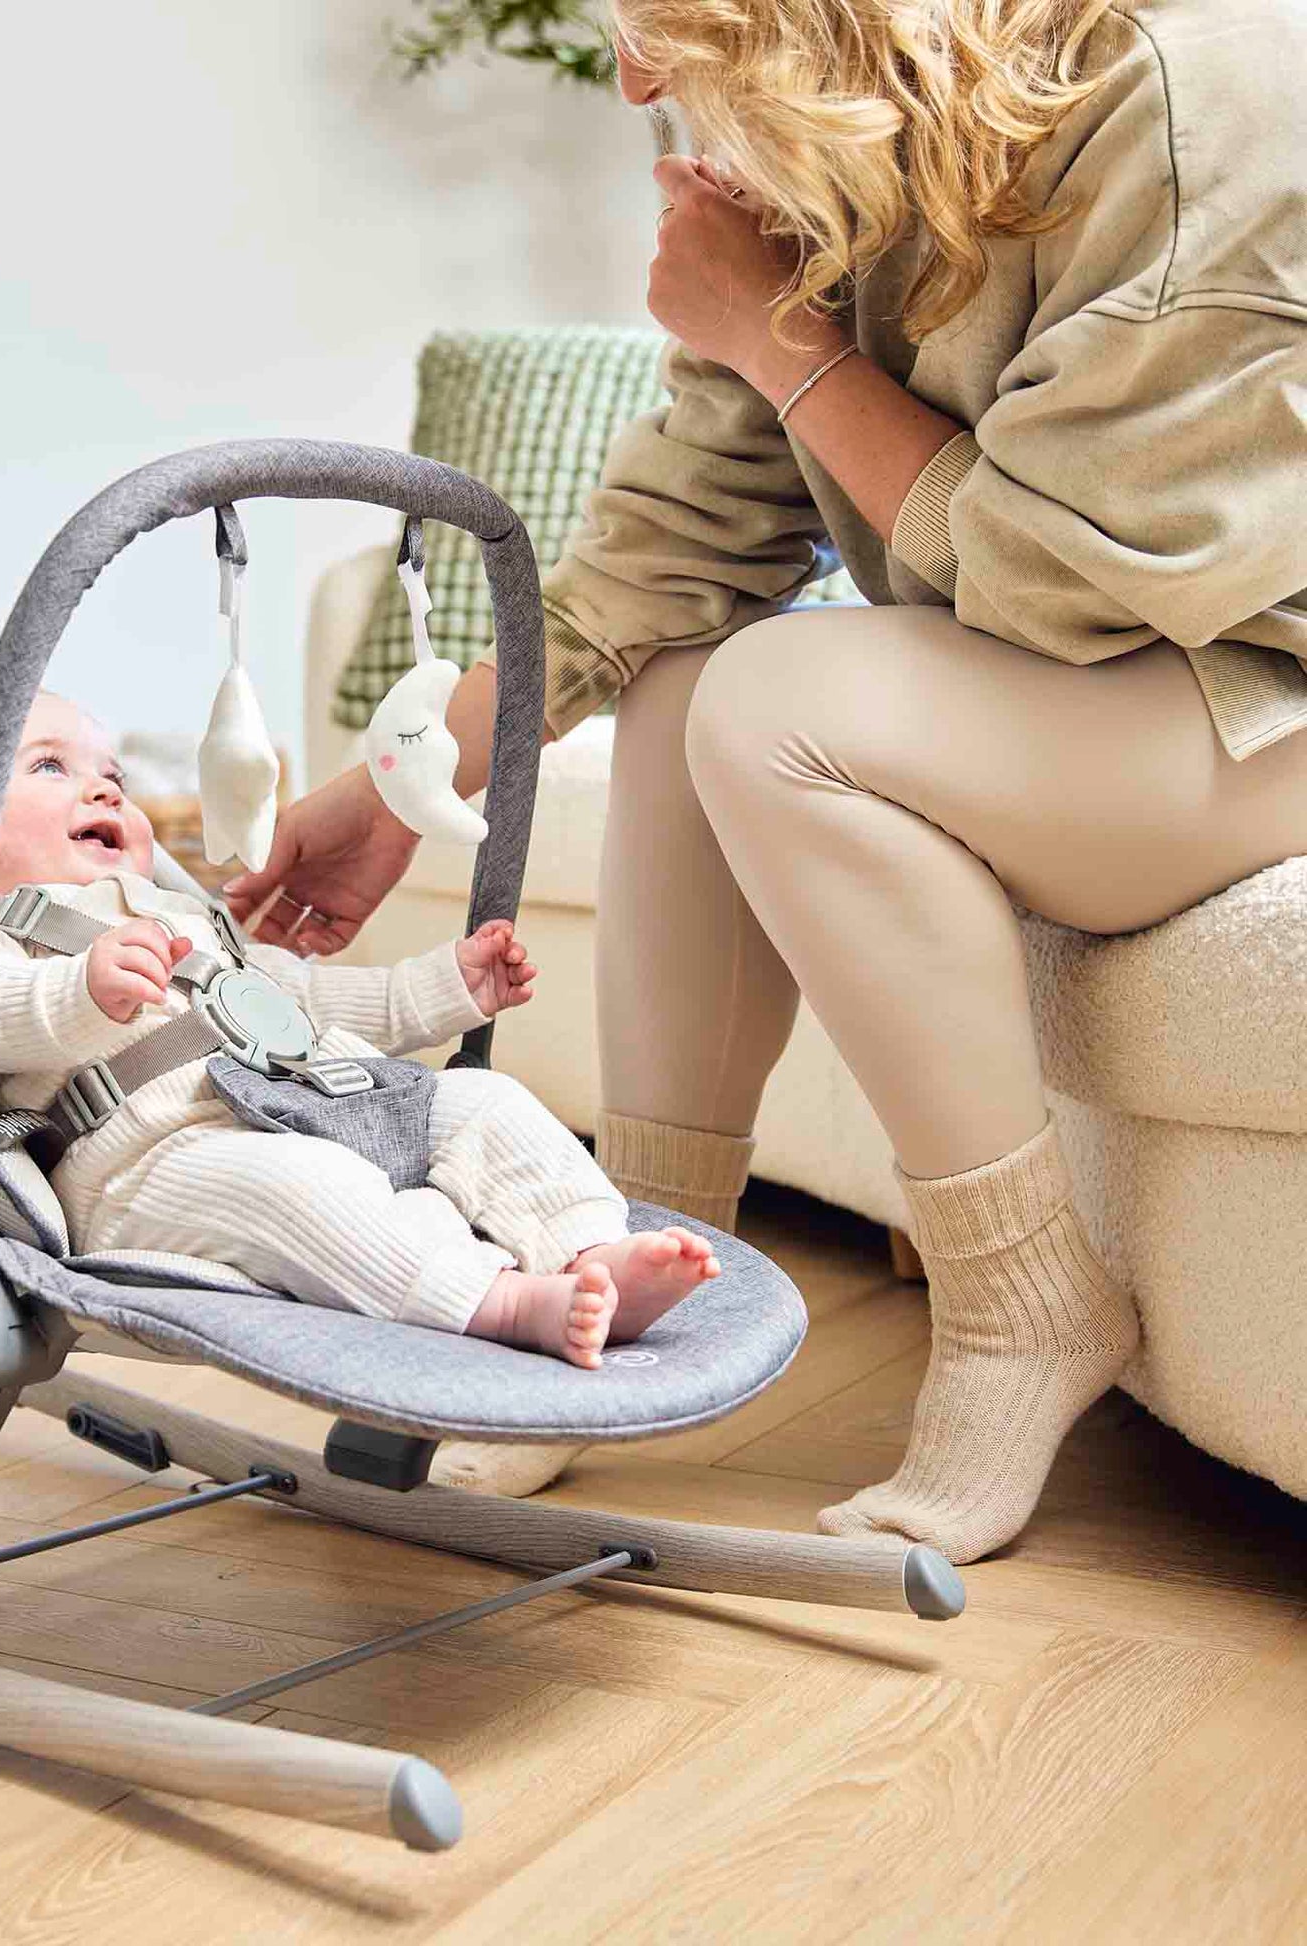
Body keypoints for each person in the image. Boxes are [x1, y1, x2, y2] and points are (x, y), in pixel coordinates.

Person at [223, 0, 1307, 1562]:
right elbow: (688, 529)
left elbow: (1075, 583)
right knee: (688, 680)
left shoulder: (1194, 98)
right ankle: (634, 1275)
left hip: (1258, 696)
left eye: (649, 18)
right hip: (1109, 694)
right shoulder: (857, 125)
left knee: (778, 696)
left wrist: (779, 343)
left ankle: (1021, 1304)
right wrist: (400, 782)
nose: (629, 78)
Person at [0, 690, 721, 1366]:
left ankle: (589, 1249)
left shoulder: (177, 911)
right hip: (159, 1159)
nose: (104, 787)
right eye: (48, 766)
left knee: (481, 1103)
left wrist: (444, 988)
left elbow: (302, 1003)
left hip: (327, 1096)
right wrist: (79, 992)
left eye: (111, 773)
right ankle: (501, 1302)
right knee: (304, 1188)